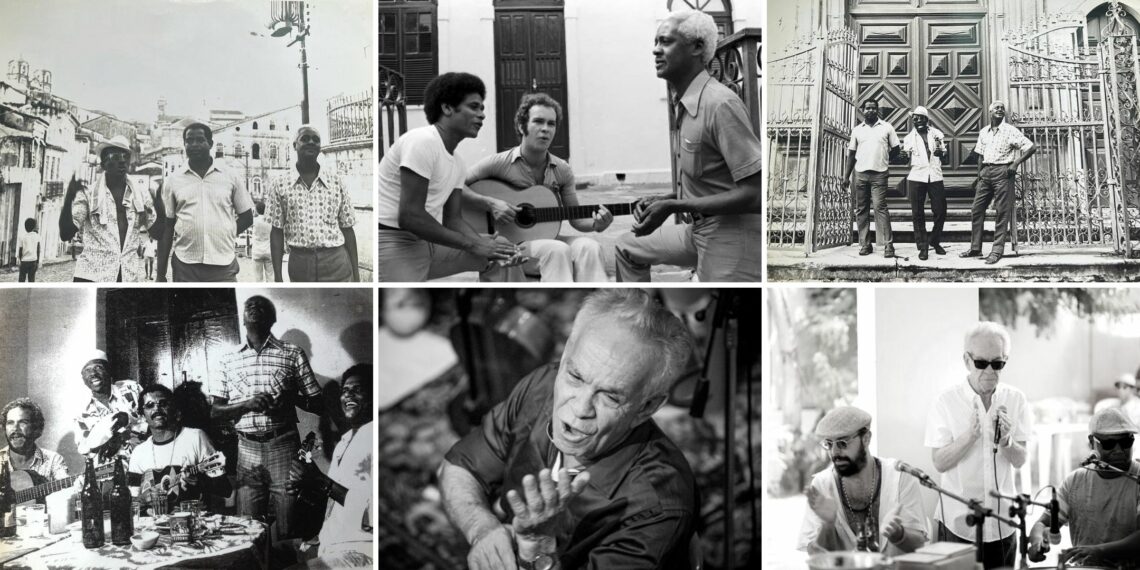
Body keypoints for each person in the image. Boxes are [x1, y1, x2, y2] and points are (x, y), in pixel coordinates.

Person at [440, 289, 697, 570]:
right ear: (564, 358)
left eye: (610, 397)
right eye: (575, 376)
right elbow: (458, 467)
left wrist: (538, 555)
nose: (580, 408)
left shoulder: (658, 507)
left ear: (646, 408)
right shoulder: (543, 385)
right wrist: (483, 530)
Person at [614, 9, 762, 282]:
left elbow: (756, 195)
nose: (655, 51)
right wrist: (668, 200)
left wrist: (674, 208)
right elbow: (712, 180)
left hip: (731, 235)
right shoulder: (683, 104)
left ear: (697, 47)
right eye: (655, 42)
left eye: (666, 42)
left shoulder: (720, 104)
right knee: (627, 246)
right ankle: (639, 316)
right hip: (697, 230)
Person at [377, 72, 521, 281]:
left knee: (503, 252)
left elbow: (453, 220)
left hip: (428, 241)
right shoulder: (422, 141)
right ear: (447, 108)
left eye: (482, 108)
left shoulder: (457, 162)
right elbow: (410, 216)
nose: (482, 115)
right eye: (474, 107)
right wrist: (475, 244)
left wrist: (488, 247)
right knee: (405, 305)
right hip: (393, 241)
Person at [464, 93, 611, 282]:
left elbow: (576, 220)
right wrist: (491, 204)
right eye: (538, 122)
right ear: (521, 126)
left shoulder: (562, 170)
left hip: (545, 240)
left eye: (551, 124)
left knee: (589, 247)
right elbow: (455, 185)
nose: (545, 129)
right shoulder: (498, 163)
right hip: (509, 245)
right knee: (556, 250)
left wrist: (596, 225)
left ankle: (595, 299)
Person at [210, 295, 323, 542]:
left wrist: (292, 397)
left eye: (262, 305)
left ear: (272, 318)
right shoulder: (227, 359)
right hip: (247, 449)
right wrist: (247, 404)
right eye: (250, 304)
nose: (255, 305)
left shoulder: (292, 353)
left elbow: (319, 402)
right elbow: (215, 411)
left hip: (283, 444)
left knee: (287, 529)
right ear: (243, 319)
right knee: (246, 532)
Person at [924, 321, 1033, 569]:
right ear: (966, 360)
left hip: (1002, 524)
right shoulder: (946, 401)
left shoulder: (1016, 399)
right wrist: (970, 436)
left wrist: (1006, 440)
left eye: (998, 363)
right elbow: (939, 463)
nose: (989, 371)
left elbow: (1020, 460)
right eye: (981, 363)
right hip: (958, 525)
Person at [798, 406, 927, 554]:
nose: (834, 453)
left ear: (866, 439)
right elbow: (816, 556)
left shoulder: (900, 477)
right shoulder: (822, 485)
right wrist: (828, 525)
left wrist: (899, 534)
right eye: (829, 444)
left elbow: (920, 543)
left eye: (842, 443)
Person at [1027, 408, 1140, 568]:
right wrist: (1037, 542)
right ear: (1092, 441)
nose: (1119, 450)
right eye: (1109, 444)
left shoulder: (1137, 477)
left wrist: (1100, 551)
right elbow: (1043, 523)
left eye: (1126, 442)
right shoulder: (1075, 481)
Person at [286, 364, 374, 568]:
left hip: (363, 550)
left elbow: (372, 514)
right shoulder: (345, 441)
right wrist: (306, 486)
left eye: (357, 389)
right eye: (345, 391)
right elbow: (337, 499)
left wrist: (320, 480)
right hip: (332, 545)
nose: (348, 396)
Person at [157, 122, 254, 282]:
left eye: (200, 140)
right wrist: (160, 275)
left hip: (223, 264)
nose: (194, 145)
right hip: (185, 265)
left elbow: (247, 217)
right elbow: (167, 227)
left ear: (210, 144)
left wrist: (225, 233)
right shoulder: (173, 181)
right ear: (184, 145)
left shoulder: (230, 175)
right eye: (189, 140)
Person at [60, 135, 158, 282]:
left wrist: (160, 208)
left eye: (125, 156)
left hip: (126, 277)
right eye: (115, 156)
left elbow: (156, 232)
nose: (122, 160)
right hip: (91, 276)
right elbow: (66, 234)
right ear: (104, 164)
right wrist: (69, 199)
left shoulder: (141, 196)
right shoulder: (88, 194)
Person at [267, 125, 359, 282]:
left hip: (336, 261)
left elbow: (347, 229)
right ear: (295, 145)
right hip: (300, 264)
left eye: (316, 140)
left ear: (320, 147)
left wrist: (356, 276)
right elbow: (276, 231)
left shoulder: (336, 182)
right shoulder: (279, 184)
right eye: (305, 138)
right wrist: (277, 277)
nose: (311, 142)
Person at [128, 384, 229, 510]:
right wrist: (142, 500)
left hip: (192, 522)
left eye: (163, 403)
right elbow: (132, 503)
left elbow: (225, 489)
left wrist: (200, 482)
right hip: (152, 525)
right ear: (143, 416)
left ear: (174, 409)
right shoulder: (139, 452)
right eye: (150, 405)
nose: (157, 408)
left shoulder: (196, 437)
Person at [960, 101, 1037, 265]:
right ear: (990, 112)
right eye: (997, 107)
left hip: (1003, 172)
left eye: (1002, 108)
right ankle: (975, 248)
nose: (1000, 109)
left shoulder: (1010, 130)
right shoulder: (983, 132)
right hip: (985, 173)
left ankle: (996, 251)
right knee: (976, 209)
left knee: (1002, 212)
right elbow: (980, 155)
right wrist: (979, 175)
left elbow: (1031, 147)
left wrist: (1015, 163)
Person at [841, 99, 900, 258]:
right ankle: (865, 244)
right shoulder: (857, 130)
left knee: (880, 208)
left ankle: (888, 245)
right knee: (862, 209)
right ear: (863, 110)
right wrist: (846, 176)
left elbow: (896, 149)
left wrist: (885, 160)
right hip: (860, 174)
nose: (870, 111)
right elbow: (851, 154)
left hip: (879, 174)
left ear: (877, 110)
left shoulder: (887, 127)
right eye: (867, 108)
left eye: (873, 108)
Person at [74, 350, 148, 459]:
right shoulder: (82, 414)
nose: (93, 374)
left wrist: (128, 424)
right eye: (87, 370)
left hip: (146, 459)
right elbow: (86, 450)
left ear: (109, 370)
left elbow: (154, 422)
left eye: (98, 367)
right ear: (83, 379)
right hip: (114, 471)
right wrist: (109, 440)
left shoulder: (131, 389)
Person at [901, 107, 947, 261]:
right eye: (915, 118)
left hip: (935, 176)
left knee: (940, 210)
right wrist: (902, 156)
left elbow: (944, 155)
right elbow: (905, 159)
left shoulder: (937, 134)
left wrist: (942, 154)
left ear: (927, 120)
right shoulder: (908, 138)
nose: (918, 121)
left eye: (921, 118)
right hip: (917, 177)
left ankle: (934, 240)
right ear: (912, 121)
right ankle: (923, 246)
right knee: (918, 213)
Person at [2, 398, 69, 486]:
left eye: (23, 422)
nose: (15, 429)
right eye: (10, 423)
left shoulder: (53, 460)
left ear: (36, 428)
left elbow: (67, 490)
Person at [251, 201, 274, 282]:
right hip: (268, 250)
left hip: (257, 251)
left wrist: (254, 213)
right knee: (271, 277)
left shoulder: (254, 221)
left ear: (256, 210)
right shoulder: (270, 221)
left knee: (258, 279)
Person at [17, 218, 40, 282]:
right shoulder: (37, 236)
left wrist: (20, 260)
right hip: (33, 261)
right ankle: (30, 291)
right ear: (34, 227)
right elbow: (38, 250)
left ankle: (21, 291)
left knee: (21, 279)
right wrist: (37, 262)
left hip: (24, 261)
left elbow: (20, 250)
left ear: (25, 227)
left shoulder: (22, 236)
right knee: (31, 279)